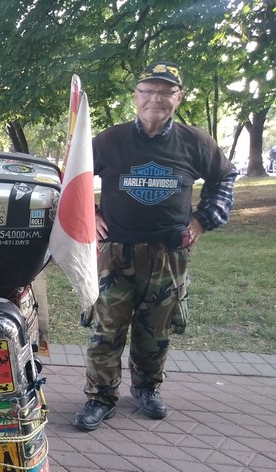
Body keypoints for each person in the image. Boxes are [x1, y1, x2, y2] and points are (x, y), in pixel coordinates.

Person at [74, 61, 236, 432]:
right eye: (148, 91)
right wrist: (90, 212)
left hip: (168, 256)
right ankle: (100, 397)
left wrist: (202, 220)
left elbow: (225, 179)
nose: (155, 99)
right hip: (115, 254)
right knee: (106, 329)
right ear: (136, 96)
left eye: (165, 92)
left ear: (178, 98)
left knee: (156, 331)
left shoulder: (195, 142)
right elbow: (72, 178)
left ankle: (147, 389)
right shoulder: (109, 140)